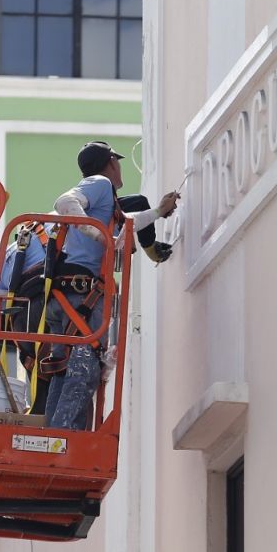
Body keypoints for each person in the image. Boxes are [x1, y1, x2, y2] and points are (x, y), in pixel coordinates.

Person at [43, 141, 179, 430]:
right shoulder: (100, 183)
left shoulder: (107, 207)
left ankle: (51, 436)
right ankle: (62, 440)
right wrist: (98, 234)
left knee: (64, 369)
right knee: (85, 368)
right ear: (111, 164)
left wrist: (158, 211)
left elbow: (127, 223)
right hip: (80, 295)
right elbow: (65, 202)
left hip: (65, 296)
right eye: (117, 163)